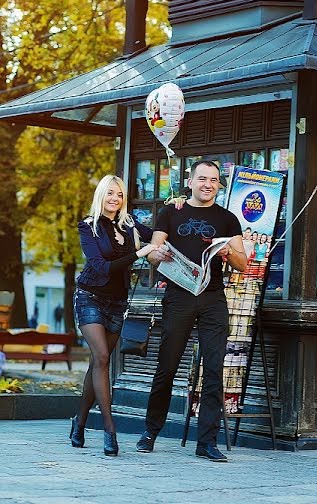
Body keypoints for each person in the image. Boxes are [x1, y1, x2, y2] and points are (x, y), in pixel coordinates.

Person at [136, 160, 247, 462]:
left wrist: (228, 251)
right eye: (202, 179)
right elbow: (154, 254)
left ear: (218, 184)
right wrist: (157, 254)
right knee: (167, 366)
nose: (208, 184)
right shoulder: (172, 211)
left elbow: (243, 262)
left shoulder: (227, 218)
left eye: (213, 179)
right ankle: (150, 431)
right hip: (179, 297)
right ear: (191, 180)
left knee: (213, 369)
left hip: (213, 299)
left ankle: (207, 442)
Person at [70, 174, 158, 457]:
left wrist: (174, 212)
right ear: (101, 195)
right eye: (110, 193)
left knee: (98, 363)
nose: (114, 199)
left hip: (117, 304)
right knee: (103, 359)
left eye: (119, 194)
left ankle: (79, 422)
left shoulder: (129, 224)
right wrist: (140, 254)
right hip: (90, 298)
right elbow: (101, 267)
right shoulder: (89, 227)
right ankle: (110, 429)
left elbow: (156, 236)